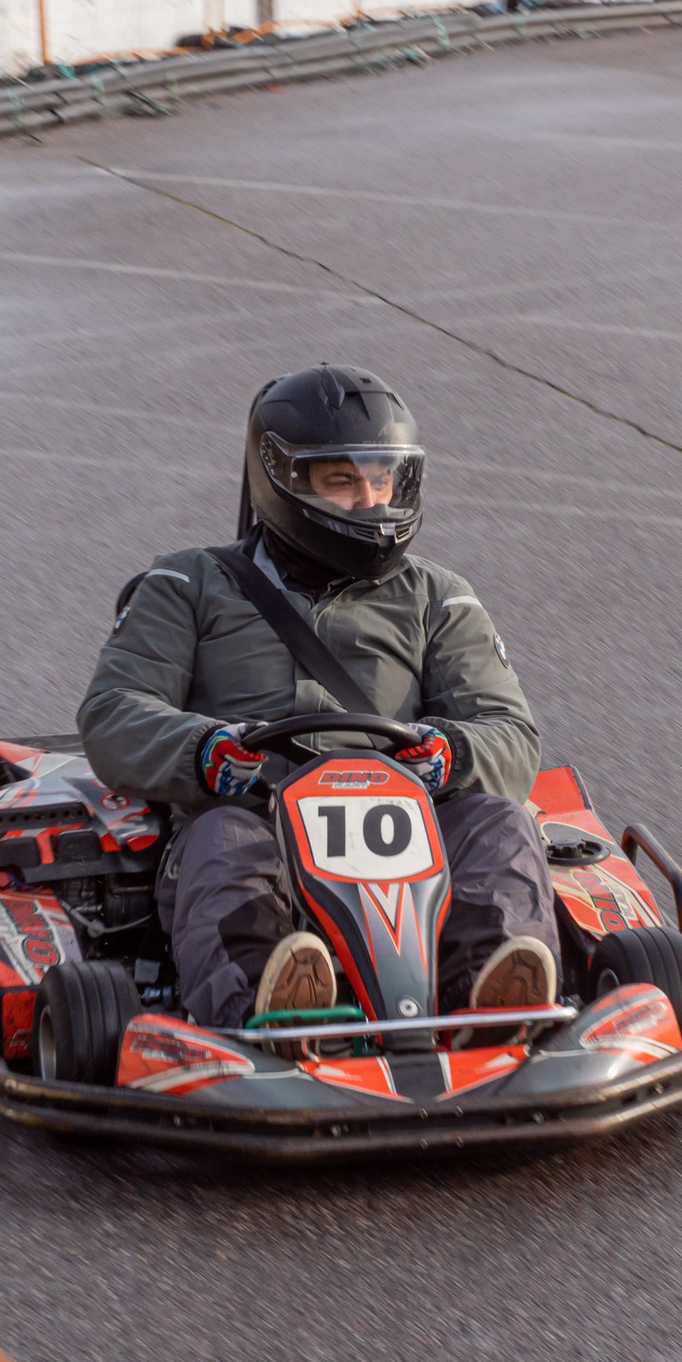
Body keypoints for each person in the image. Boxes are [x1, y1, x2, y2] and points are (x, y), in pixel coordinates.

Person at [78, 364, 560, 1035]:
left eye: (383, 480)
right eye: (343, 481)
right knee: (222, 838)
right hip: (258, 817)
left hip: (409, 834)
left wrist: (451, 751)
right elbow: (114, 710)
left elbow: (508, 729)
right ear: (283, 479)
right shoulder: (188, 583)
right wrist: (203, 749)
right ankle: (274, 1010)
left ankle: (491, 1000)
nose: (370, 501)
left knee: (500, 823)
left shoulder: (438, 597)